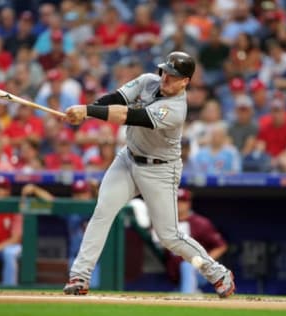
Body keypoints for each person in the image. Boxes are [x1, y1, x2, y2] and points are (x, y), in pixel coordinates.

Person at [62, 51, 235, 298]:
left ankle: (217, 273)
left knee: (169, 236)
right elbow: (117, 99)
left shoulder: (176, 109)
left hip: (160, 169)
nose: (166, 77)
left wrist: (87, 111)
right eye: (165, 71)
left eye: (174, 75)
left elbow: (129, 115)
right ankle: (80, 275)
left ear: (185, 80)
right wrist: (84, 113)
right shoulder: (147, 81)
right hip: (128, 158)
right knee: (102, 212)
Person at [21, 179, 101, 289]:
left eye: (83, 193)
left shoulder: (95, 207)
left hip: (96, 259)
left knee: (96, 288)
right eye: (77, 194)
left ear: (88, 194)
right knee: (78, 290)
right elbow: (52, 202)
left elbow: (104, 202)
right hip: (75, 258)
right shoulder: (71, 211)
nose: (80, 197)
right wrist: (35, 189)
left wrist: (96, 190)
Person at [162, 188, 228, 293]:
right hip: (174, 271)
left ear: (188, 203)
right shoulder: (165, 223)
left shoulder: (200, 223)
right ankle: (190, 292)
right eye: (176, 201)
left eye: (182, 201)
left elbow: (221, 246)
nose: (179, 204)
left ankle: (187, 297)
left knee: (187, 265)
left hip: (197, 270)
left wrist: (202, 262)